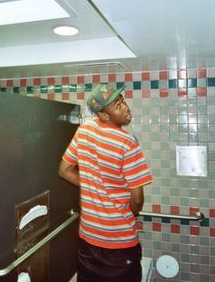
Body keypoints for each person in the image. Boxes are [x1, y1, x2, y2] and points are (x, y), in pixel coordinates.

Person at [59, 83, 153, 282]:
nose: (126, 107)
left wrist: (95, 188)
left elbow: (64, 171)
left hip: (87, 241)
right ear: (104, 115)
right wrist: (131, 211)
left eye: (123, 101)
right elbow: (137, 199)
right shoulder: (127, 143)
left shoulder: (83, 131)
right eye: (118, 106)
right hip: (119, 244)